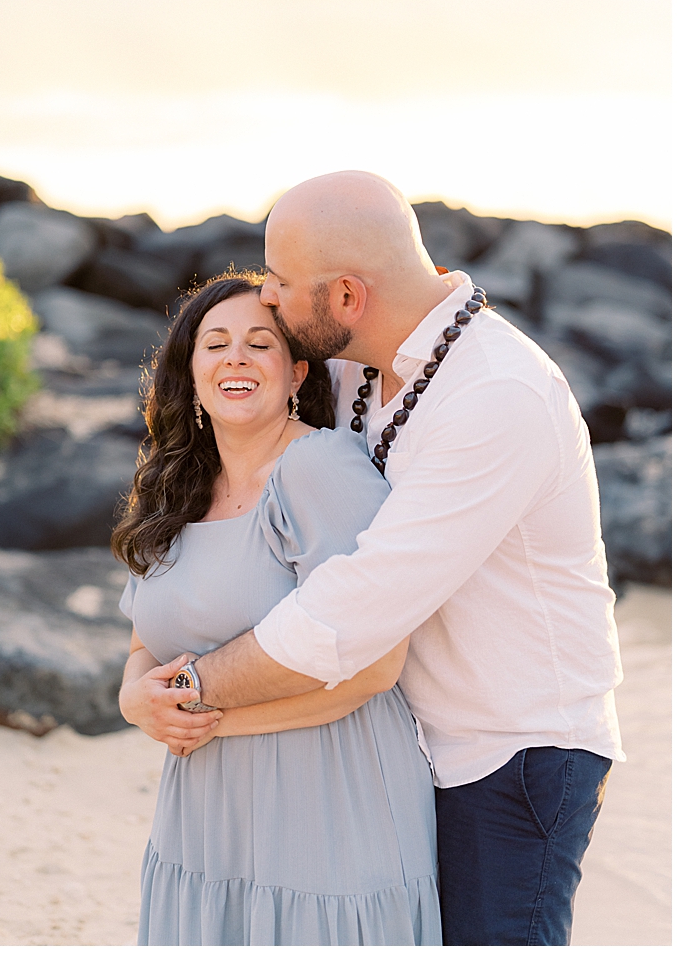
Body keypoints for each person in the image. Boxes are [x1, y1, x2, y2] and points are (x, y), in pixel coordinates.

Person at [177, 171, 623, 946]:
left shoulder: (496, 394)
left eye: (281, 282)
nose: (270, 299)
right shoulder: (357, 367)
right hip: (409, 743)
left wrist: (192, 686)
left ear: (348, 297)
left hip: (513, 753)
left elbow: (354, 607)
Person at [114, 272, 439, 945]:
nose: (235, 357)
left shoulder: (320, 468)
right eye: (216, 344)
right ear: (191, 373)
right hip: (204, 804)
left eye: (258, 344)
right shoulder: (174, 489)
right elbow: (146, 640)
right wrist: (134, 703)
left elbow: (378, 667)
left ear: (295, 374)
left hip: (328, 793)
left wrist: (207, 723)